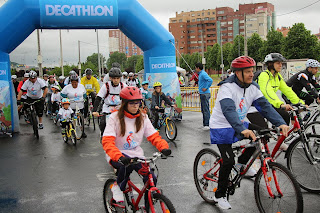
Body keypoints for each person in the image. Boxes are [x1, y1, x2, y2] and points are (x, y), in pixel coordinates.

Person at [209, 56, 290, 210]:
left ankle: (241, 164)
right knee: (228, 161)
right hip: (221, 127)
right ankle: (219, 195)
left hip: (240, 124)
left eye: (252, 71)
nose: (251, 74)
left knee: (262, 135)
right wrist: (242, 129)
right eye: (247, 71)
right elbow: (228, 110)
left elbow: (265, 107)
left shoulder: (252, 87)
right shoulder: (227, 87)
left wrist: (280, 123)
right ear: (237, 73)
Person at [101, 86, 172, 209]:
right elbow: (107, 142)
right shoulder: (115, 117)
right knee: (124, 168)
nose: (135, 106)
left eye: (138, 103)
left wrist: (163, 147)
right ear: (124, 103)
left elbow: (153, 136)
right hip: (117, 154)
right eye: (132, 103)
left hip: (136, 155)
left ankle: (147, 207)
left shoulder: (143, 117)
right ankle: (117, 187)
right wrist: (119, 156)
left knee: (151, 179)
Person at [256, 53, 305, 125]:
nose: (281, 65)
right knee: (281, 118)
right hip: (257, 104)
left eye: (281, 63)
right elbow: (267, 92)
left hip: (268, 102)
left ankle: (282, 134)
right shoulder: (264, 75)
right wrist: (280, 105)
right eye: (278, 63)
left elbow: (287, 90)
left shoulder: (277, 76)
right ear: (270, 64)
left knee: (285, 117)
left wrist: (299, 102)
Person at [93, 67, 125, 137]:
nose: (116, 80)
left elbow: (130, 96)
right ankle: (103, 135)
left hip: (119, 108)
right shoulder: (106, 86)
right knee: (103, 123)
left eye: (117, 78)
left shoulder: (123, 86)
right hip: (107, 108)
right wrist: (95, 110)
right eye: (114, 78)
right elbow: (98, 98)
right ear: (110, 78)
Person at [195, 63, 213, 130]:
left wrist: (206, 87)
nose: (195, 69)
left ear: (198, 68)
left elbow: (210, 80)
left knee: (205, 109)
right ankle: (205, 124)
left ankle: (207, 124)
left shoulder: (203, 74)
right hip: (202, 93)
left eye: (196, 68)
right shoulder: (201, 74)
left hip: (205, 94)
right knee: (203, 109)